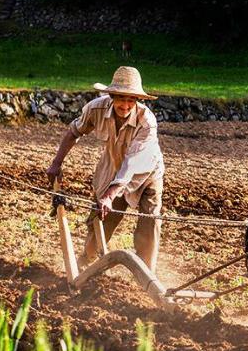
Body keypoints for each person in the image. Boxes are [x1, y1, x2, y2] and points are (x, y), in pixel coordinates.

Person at [46, 66, 165, 271]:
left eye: (131, 100)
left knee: (150, 220)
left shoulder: (147, 122)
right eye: (121, 98)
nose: (126, 105)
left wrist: (110, 194)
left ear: (137, 100)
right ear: (111, 95)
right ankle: (88, 260)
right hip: (113, 168)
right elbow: (73, 132)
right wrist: (56, 163)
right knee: (102, 217)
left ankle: (146, 273)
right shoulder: (96, 109)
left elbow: (132, 164)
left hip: (147, 175)